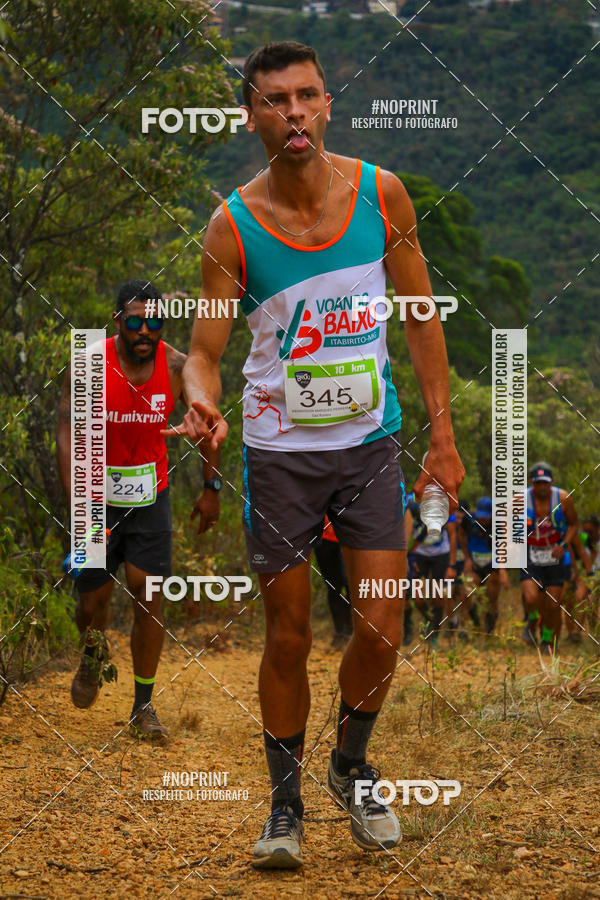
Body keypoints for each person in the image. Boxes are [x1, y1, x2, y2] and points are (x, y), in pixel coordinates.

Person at [166, 41, 464, 867]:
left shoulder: (381, 194)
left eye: (306, 96)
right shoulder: (232, 226)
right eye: (274, 101)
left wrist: (441, 434)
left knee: (383, 623)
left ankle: (351, 764)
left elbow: (421, 315)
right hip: (280, 456)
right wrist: (200, 395)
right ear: (251, 116)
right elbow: (204, 349)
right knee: (289, 634)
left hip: (369, 445)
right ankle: (285, 808)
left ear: (327, 104)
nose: (293, 112)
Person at [56, 280, 221, 738]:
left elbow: (209, 421)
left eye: (155, 321)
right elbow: (67, 433)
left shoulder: (175, 365)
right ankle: (92, 655)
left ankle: (143, 706)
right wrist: (80, 505)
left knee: (148, 594)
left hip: (151, 495)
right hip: (94, 496)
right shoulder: (90, 361)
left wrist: (211, 487)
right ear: (117, 322)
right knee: (92, 604)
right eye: (135, 321)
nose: (145, 330)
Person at [520, 462, 579, 654]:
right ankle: (531, 620)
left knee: (553, 604)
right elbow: (508, 527)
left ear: (551, 482)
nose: (542, 487)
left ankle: (546, 640)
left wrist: (563, 545)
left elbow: (574, 524)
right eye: (538, 483)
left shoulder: (563, 499)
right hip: (531, 554)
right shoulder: (520, 500)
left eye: (545, 483)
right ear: (532, 483)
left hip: (555, 555)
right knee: (531, 598)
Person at [405, 493, 457, 645]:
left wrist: (452, 565)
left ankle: (434, 633)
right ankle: (429, 620)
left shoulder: (446, 501)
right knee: (417, 594)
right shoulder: (409, 501)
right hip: (419, 553)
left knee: (437, 594)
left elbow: (453, 535)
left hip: (441, 553)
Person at [460, 497, 499, 635]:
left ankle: (489, 630)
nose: (483, 519)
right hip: (474, 564)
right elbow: (461, 536)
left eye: (486, 517)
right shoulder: (468, 521)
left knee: (491, 598)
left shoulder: (500, 524)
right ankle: (474, 619)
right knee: (467, 594)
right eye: (481, 516)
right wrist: (467, 559)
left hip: (492, 567)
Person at [314, 515, 353, 647]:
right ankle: (340, 632)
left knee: (350, 584)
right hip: (323, 538)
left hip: (348, 536)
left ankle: (350, 630)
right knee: (332, 586)